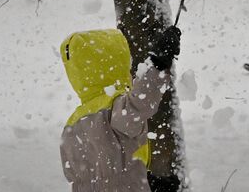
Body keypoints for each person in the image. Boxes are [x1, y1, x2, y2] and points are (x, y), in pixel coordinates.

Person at [59, 27, 181, 192]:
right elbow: (141, 101)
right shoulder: (115, 106)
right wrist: (157, 62)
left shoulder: (72, 125)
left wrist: (144, 180)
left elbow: (85, 176)